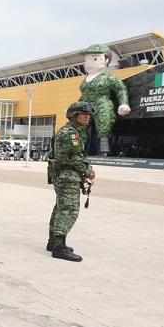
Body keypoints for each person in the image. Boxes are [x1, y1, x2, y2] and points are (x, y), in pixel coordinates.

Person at [47, 102, 95, 262]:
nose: (87, 117)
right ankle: (59, 248)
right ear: (74, 116)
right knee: (69, 210)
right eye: (83, 114)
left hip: (64, 174)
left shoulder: (72, 131)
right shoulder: (70, 133)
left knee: (60, 208)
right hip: (67, 175)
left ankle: (53, 242)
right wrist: (88, 171)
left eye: (88, 115)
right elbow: (75, 156)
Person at [77, 44, 131, 156]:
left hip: (102, 104)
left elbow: (120, 89)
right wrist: (75, 107)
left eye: (95, 59)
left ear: (106, 60)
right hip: (86, 106)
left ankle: (104, 150)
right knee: (80, 128)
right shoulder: (86, 80)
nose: (89, 63)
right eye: (87, 60)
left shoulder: (109, 77)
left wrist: (124, 104)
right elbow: (84, 96)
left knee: (103, 125)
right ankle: (79, 150)